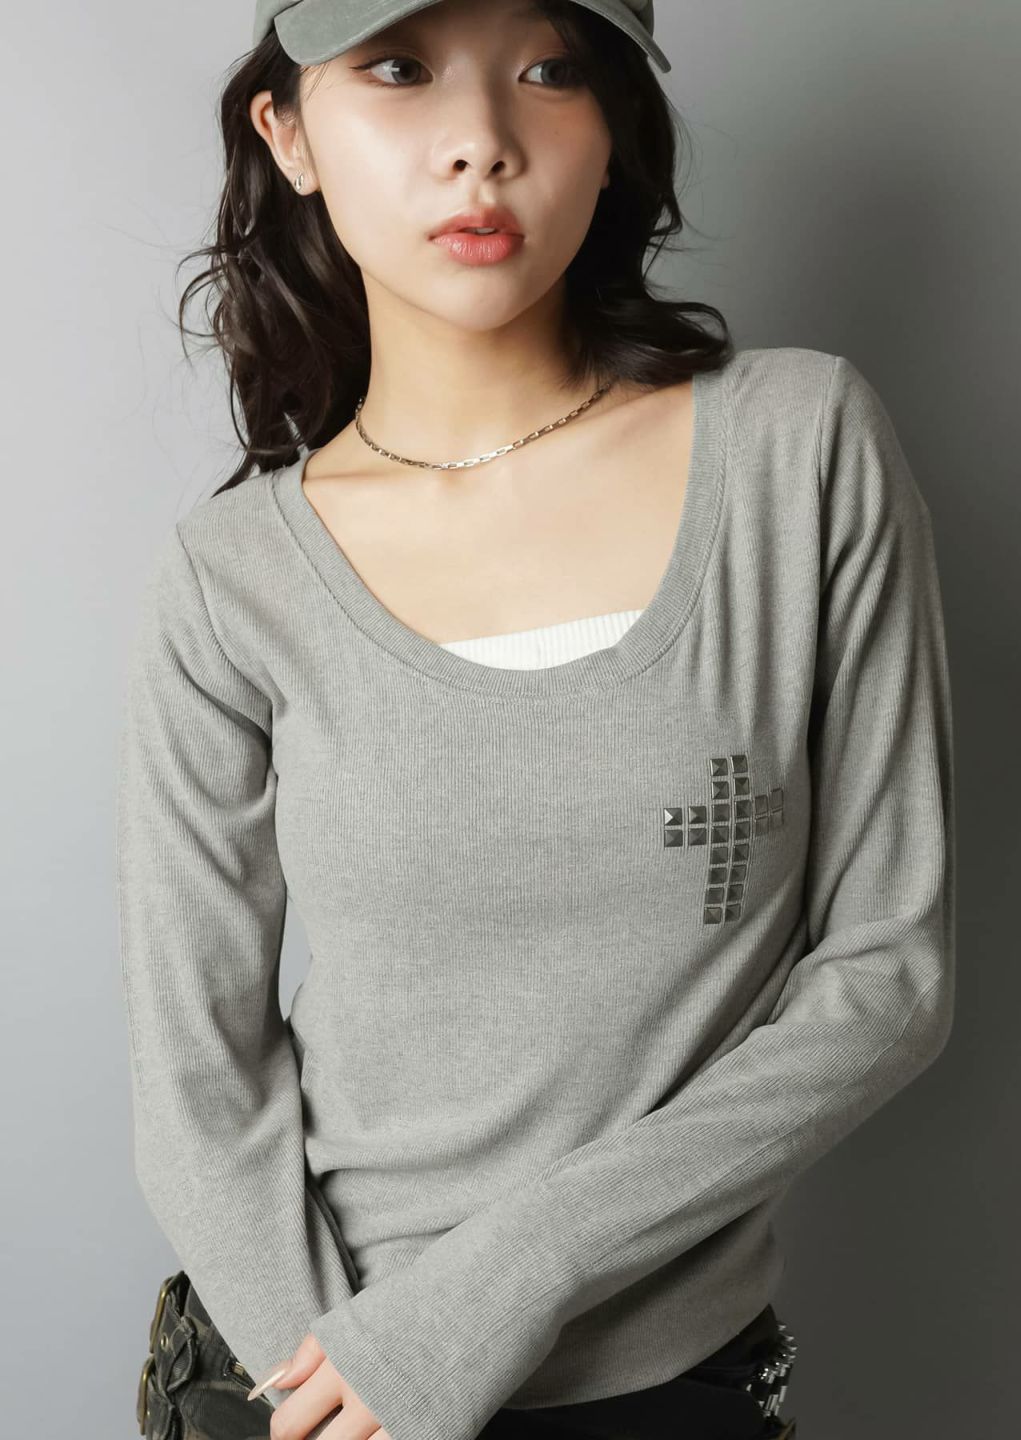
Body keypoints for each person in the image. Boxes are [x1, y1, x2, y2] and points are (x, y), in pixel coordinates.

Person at [117, 1, 956, 1438]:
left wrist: (500, 1288)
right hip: (297, 1372)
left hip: (660, 1387)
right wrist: (337, 1380)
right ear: (290, 133)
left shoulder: (797, 449)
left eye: (549, 70)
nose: (481, 144)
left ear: (612, 127)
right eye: (398, 67)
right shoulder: (232, 576)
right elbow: (200, 1077)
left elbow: (887, 977)